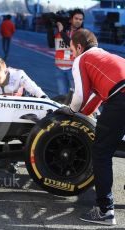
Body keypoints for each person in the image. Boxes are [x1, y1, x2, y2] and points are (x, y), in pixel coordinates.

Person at [59, 29, 125, 226]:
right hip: (119, 93)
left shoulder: (82, 59)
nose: (72, 55)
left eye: (72, 51)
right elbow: (97, 95)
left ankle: (105, 210)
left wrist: (70, 111)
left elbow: (80, 95)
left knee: (101, 152)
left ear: (79, 47)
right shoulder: (106, 56)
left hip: (121, 98)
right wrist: (83, 114)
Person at [53, 8, 84, 96]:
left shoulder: (82, 33)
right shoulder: (62, 31)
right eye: (76, 18)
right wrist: (50, 28)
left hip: (74, 70)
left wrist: (61, 31)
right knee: (62, 97)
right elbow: (51, 44)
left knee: (75, 97)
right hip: (59, 68)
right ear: (71, 20)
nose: (78, 21)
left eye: (80, 19)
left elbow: (70, 44)